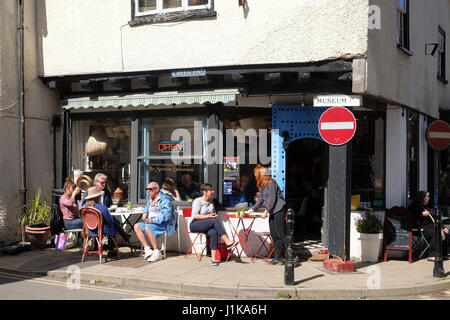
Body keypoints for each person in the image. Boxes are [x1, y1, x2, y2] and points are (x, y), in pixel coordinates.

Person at [245, 164, 290, 265]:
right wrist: (250, 210)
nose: (255, 176)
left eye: (256, 174)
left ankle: (292, 255)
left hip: (278, 209)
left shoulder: (271, 183)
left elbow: (272, 199)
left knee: (280, 233)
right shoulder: (263, 185)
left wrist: (266, 212)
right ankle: (278, 258)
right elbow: (260, 199)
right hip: (272, 211)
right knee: (274, 235)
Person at [189, 183, 237, 266]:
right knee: (213, 220)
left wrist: (213, 216)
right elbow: (195, 216)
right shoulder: (198, 201)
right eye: (211, 190)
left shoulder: (211, 202)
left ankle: (213, 259)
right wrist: (208, 216)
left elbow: (213, 214)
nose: (213, 191)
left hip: (207, 224)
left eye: (213, 189)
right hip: (195, 224)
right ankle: (227, 241)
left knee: (213, 232)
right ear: (205, 192)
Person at [134, 181, 177, 262]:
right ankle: (148, 249)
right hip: (150, 222)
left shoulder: (165, 200)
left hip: (163, 224)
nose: (148, 191)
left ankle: (157, 252)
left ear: (157, 189)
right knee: (137, 226)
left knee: (147, 227)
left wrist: (153, 220)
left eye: (150, 189)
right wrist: (145, 213)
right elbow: (147, 208)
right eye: (147, 189)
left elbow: (166, 216)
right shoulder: (151, 199)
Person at [82, 186, 126, 256]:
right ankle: (112, 251)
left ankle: (123, 236)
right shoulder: (102, 207)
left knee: (113, 223)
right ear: (98, 197)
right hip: (103, 230)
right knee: (113, 223)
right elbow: (109, 221)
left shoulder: (84, 207)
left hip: (90, 230)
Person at [408, 190, 449, 261]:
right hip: (422, 228)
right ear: (422, 199)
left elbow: (436, 217)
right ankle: (432, 255)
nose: (428, 199)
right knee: (436, 233)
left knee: (446, 232)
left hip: (432, 226)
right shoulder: (413, 206)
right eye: (427, 198)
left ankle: (444, 254)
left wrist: (443, 227)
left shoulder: (427, 206)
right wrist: (421, 215)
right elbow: (412, 217)